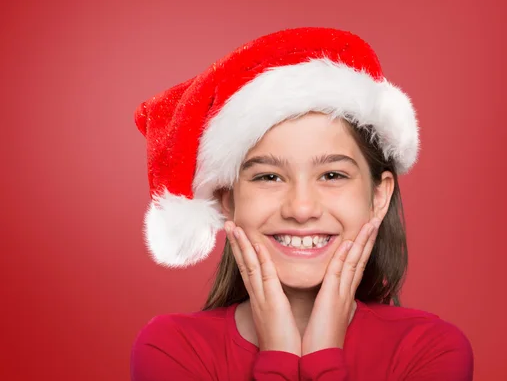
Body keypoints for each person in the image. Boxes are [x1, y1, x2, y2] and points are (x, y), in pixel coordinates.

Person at [130, 27, 474, 380]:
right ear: (228, 201)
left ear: (378, 196)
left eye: (332, 175)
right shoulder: (172, 349)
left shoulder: (430, 350)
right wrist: (279, 353)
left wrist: (322, 352)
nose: (301, 208)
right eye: (269, 177)